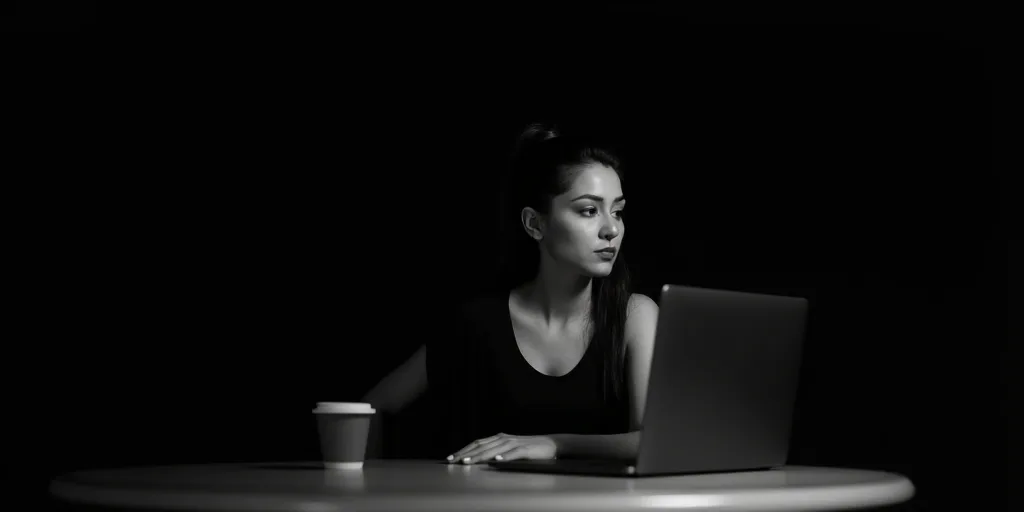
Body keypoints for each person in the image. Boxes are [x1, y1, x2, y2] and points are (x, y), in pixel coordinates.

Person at [361, 121, 659, 464]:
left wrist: (553, 443)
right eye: (589, 210)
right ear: (535, 224)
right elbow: (373, 407)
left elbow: (652, 442)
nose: (611, 229)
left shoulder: (634, 316)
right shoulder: (477, 322)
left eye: (617, 211)